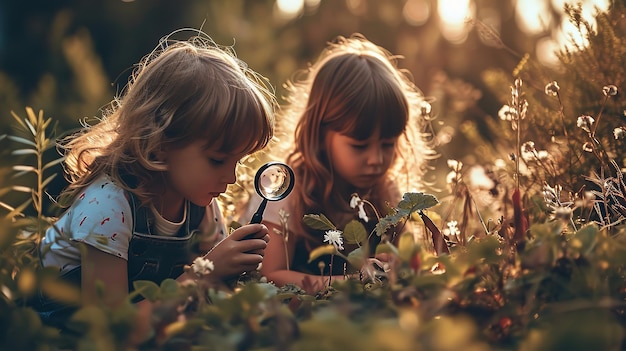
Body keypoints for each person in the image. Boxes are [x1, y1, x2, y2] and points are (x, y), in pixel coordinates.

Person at [35, 29, 276, 343]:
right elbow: (111, 334)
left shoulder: (200, 207)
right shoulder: (108, 208)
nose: (231, 177)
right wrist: (206, 274)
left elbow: (208, 302)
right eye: (217, 160)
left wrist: (235, 271)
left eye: (239, 160)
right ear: (160, 143)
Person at [239, 34, 434, 294]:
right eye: (359, 145)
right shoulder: (286, 190)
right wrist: (354, 283)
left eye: (387, 144)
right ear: (319, 133)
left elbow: (411, 264)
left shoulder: (386, 194)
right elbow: (269, 275)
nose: (376, 160)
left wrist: (397, 267)